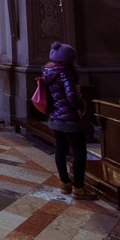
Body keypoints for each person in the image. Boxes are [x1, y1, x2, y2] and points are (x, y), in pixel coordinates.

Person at [41, 41, 97, 200]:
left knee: (61, 148)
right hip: (68, 117)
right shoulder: (64, 72)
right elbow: (71, 95)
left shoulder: (47, 70)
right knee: (80, 151)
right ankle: (79, 187)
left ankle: (65, 182)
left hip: (55, 115)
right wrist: (79, 106)